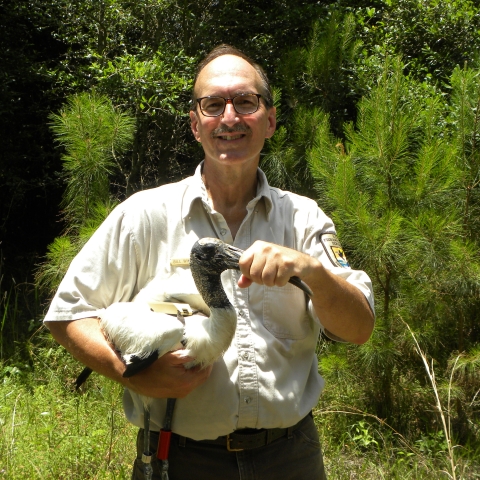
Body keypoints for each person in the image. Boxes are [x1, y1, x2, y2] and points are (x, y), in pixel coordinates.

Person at [45, 44, 375, 480]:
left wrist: (311, 271)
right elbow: (68, 314)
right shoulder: (144, 214)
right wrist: (132, 375)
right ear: (195, 124)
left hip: (290, 457)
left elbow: (359, 329)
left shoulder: (305, 218)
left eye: (246, 102)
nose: (230, 118)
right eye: (213, 105)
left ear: (270, 120)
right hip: (179, 459)